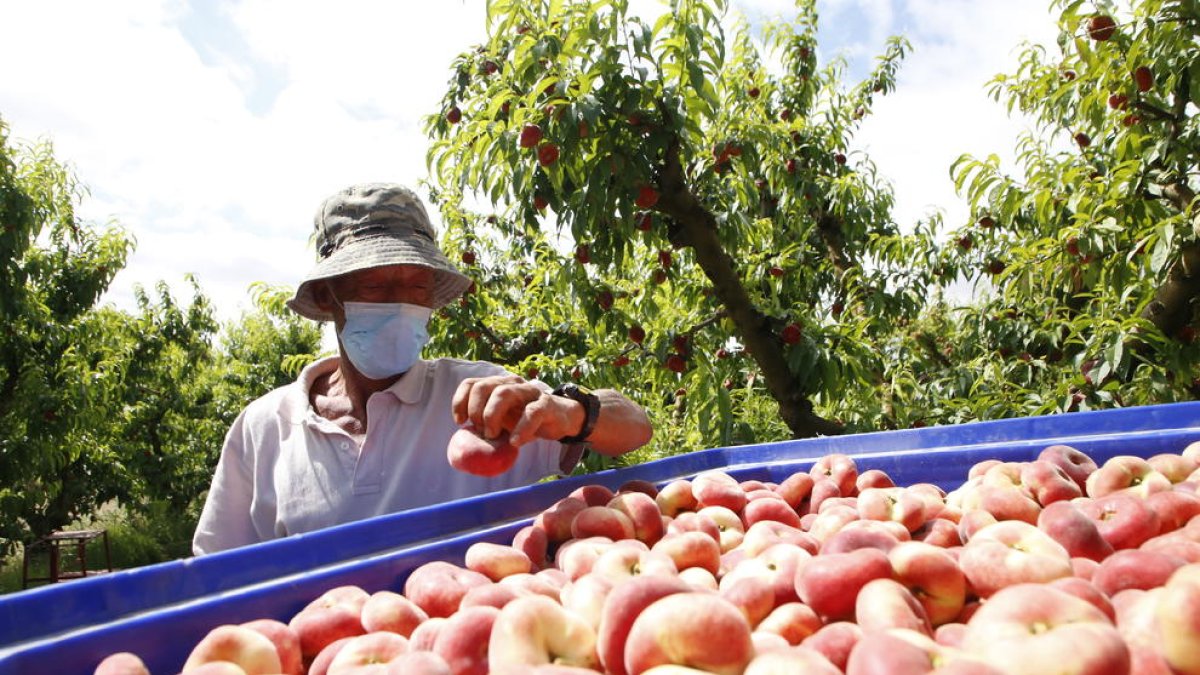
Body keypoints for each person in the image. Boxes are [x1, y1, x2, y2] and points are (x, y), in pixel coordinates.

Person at [192, 183, 652, 554]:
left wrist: (571, 412)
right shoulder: (264, 429)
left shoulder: (484, 399)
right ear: (330, 296)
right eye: (374, 285)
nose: (399, 304)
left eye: (416, 288)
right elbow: (217, 576)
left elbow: (636, 427)